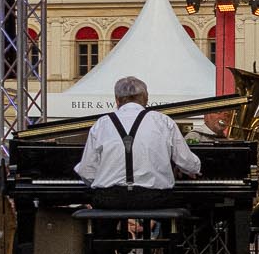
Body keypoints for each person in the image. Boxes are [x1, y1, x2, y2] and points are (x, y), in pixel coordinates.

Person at [74, 76, 202, 209]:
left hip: (110, 198)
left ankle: (107, 223)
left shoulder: (101, 124)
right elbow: (188, 163)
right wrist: (192, 168)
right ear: (146, 98)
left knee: (101, 210)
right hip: (155, 198)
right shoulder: (163, 121)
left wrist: (106, 182)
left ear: (117, 100)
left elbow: (86, 171)